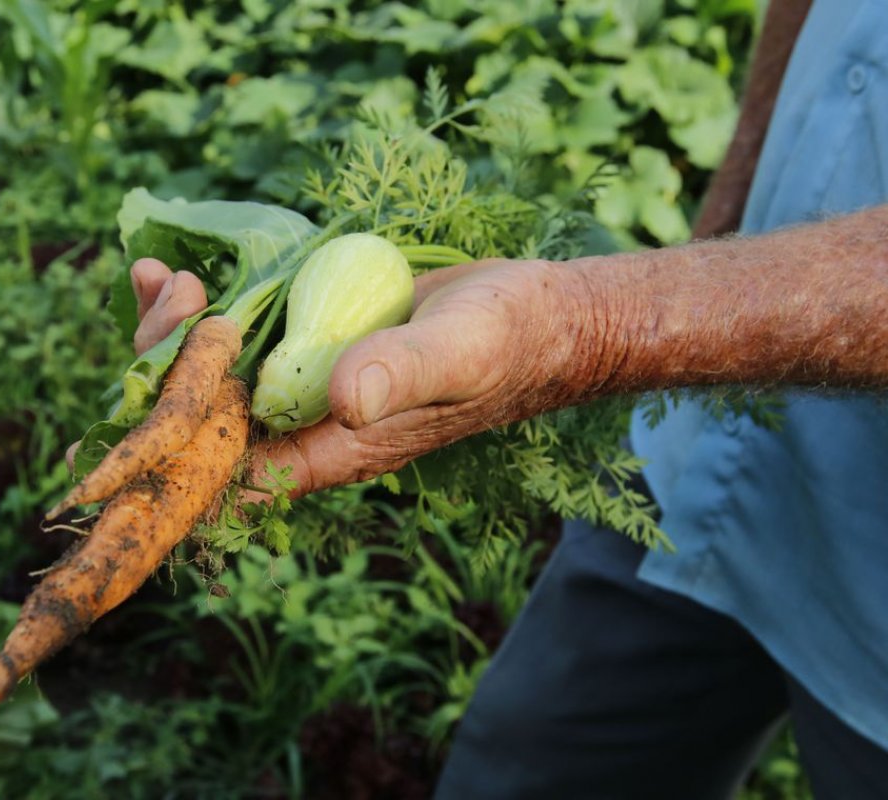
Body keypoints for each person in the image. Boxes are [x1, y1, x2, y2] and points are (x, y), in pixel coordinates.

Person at [98, 0, 888, 794]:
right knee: (527, 761)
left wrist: (600, 325)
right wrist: (720, 228)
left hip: (872, 599)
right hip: (685, 467)